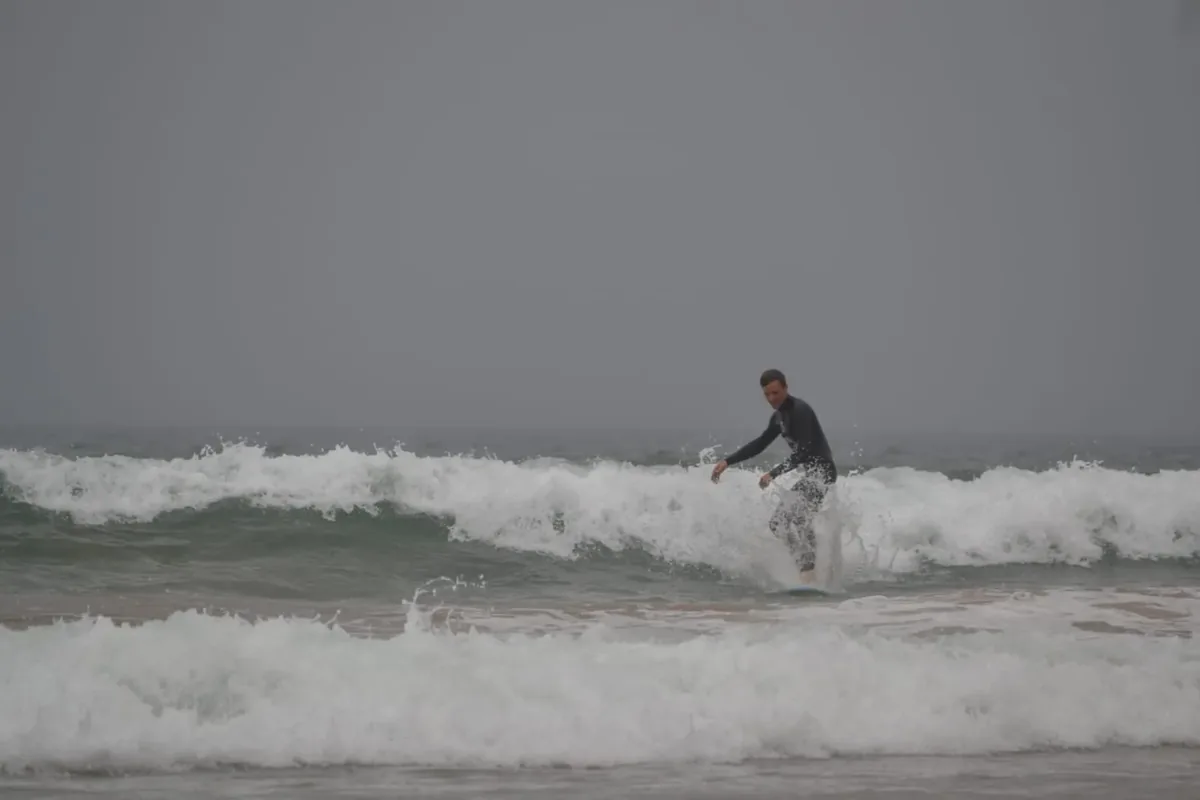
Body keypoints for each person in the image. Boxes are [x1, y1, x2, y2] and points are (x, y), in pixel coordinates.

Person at [710, 369, 837, 581]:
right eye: (767, 394)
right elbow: (760, 444)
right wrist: (727, 461)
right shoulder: (778, 417)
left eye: (776, 393)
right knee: (778, 524)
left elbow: (804, 450)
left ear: (786, 388)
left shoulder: (801, 411)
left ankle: (809, 571)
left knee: (799, 518)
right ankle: (806, 566)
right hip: (811, 474)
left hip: (823, 472)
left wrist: (774, 473)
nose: (772, 399)